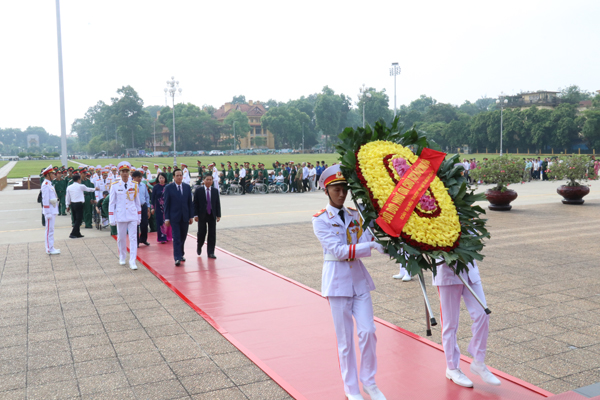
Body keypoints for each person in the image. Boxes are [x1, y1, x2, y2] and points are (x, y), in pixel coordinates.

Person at [312, 164, 387, 400]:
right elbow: (338, 250)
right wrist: (370, 246)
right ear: (326, 191)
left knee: (368, 331)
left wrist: (381, 236)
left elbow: (369, 238)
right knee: (345, 342)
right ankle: (351, 388)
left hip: (359, 281)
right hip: (337, 283)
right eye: (336, 189)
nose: (342, 193)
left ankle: (369, 381)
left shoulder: (356, 214)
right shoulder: (321, 220)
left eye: (344, 188)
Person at [433, 259, 500, 388]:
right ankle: (452, 368)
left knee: (483, 314)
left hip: (468, 268)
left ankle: (478, 361)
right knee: (450, 323)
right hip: (447, 272)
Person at [109, 161, 141, 270]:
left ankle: (132, 260)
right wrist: (111, 218)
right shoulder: (114, 186)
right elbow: (112, 203)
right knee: (121, 238)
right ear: (119, 173)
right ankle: (122, 256)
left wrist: (139, 216)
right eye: (123, 171)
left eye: (127, 171)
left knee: (133, 238)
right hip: (121, 215)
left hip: (132, 215)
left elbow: (137, 203)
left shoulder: (134, 185)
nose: (125, 173)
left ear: (129, 173)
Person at [164, 168, 194, 266]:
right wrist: (167, 218)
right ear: (173, 177)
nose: (179, 177)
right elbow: (166, 204)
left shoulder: (187, 187)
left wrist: (191, 216)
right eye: (177, 175)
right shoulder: (169, 188)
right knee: (176, 237)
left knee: (183, 237)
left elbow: (190, 203)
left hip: (185, 217)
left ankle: (181, 254)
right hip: (174, 217)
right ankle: (177, 257)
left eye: (180, 175)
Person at [194, 173, 221, 259]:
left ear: (212, 181)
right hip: (202, 215)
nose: (209, 181)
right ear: (204, 180)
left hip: (212, 215)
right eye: (207, 179)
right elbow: (195, 204)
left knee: (212, 234)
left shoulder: (215, 191)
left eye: (210, 180)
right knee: (202, 232)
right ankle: (199, 246)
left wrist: (218, 215)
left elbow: (217, 203)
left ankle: (211, 252)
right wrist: (195, 215)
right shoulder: (198, 191)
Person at [66, 173, 97, 238]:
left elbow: (68, 197)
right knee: (79, 219)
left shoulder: (69, 187)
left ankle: (77, 233)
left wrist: (67, 205)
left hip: (73, 204)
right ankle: (73, 233)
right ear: (78, 179)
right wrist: (95, 189)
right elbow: (88, 189)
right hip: (79, 204)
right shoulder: (81, 186)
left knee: (75, 219)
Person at [41, 165, 61, 255]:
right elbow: (45, 200)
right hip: (49, 211)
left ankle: (51, 247)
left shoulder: (49, 184)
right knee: (49, 230)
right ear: (48, 175)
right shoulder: (45, 185)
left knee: (51, 230)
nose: (54, 175)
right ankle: (49, 249)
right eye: (52, 173)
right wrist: (48, 212)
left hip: (53, 209)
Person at [132, 171, 151, 247]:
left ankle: (143, 239)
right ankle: (136, 242)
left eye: (141, 177)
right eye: (138, 177)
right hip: (134, 208)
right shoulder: (131, 186)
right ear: (134, 177)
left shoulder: (143, 185)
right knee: (135, 225)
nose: (140, 179)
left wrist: (148, 207)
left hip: (143, 206)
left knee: (144, 224)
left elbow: (147, 196)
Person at [152, 172, 171, 243]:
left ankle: (168, 237)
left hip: (167, 207)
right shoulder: (155, 187)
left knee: (168, 221)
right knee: (160, 222)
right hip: (159, 208)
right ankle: (162, 238)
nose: (161, 179)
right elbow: (153, 197)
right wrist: (152, 207)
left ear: (165, 178)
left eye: (162, 178)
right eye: (160, 178)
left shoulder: (168, 186)